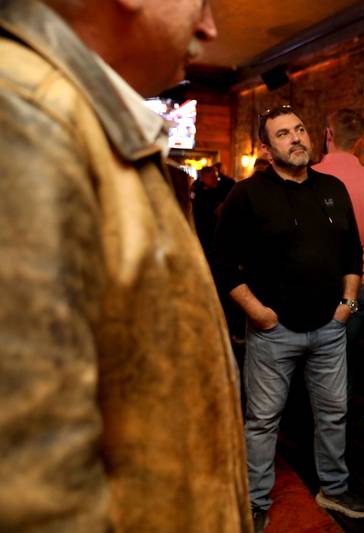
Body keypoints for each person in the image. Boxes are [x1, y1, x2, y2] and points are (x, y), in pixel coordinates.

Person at [0, 1, 251, 532]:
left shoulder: (78, 118)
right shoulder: (23, 113)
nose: (208, 26)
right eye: (201, 2)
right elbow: (35, 489)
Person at [214, 105, 364, 530]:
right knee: (263, 420)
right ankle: (256, 499)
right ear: (266, 148)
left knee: (335, 411)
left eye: (299, 129)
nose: (296, 138)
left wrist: (348, 305)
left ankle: (334, 489)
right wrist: (259, 314)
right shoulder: (245, 195)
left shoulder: (333, 188)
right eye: (283, 134)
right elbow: (222, 264)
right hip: (273, 331)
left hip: (329, 328)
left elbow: (352, 254)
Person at [313, 109, 364, 398]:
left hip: (311, 286)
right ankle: (338, 435)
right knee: (341, 362)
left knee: (302, 364)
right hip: (359, 288)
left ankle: (302, 433)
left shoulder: (308, 178)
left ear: (328, 134)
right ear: (358, 141)